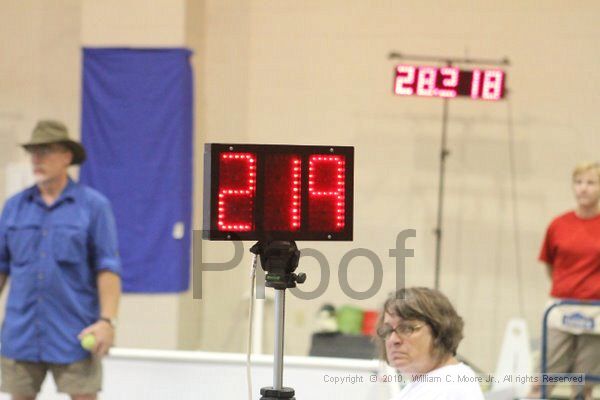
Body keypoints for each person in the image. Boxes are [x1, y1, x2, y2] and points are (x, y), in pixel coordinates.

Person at [0, 120, 122, 400]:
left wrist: (106, 321)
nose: (37, 159)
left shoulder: (93, 206)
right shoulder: (14, 207)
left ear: (67, 156)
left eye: (46, 151)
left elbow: (108, 268)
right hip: (21, 332)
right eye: (33, 152)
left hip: (74, 332)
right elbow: (1, 266)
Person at [528, 162, 600, 400]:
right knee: (542, 381)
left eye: (591, 183)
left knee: (584, 387)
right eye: (579, 183)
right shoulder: (559, 225)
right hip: (560, 309)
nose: (584, 189)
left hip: (595, 313)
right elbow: (550, 264)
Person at [375, 287, 484, 400]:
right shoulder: (430, 383)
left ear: (440, 331)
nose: (393, 339)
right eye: (387, 330)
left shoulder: (448, 388)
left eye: (407, 328)